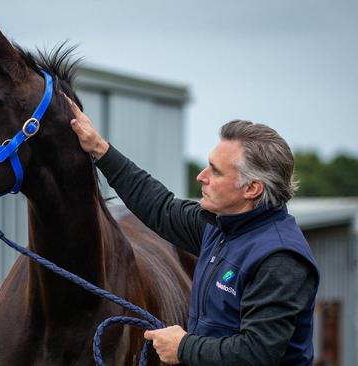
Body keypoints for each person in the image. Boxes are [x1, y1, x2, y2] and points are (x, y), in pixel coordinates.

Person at [68, 100, 320, 366]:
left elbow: (257, 353)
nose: (202, 176)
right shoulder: (219, 225)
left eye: (216, 171)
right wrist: (100, 149)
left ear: (252, 189)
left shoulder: (279, 259)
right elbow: (160, 207)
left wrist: (183, 347)